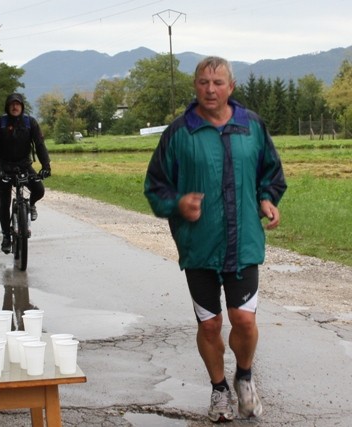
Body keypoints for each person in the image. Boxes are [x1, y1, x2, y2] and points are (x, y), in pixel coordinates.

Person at [144, 56, 287, 423]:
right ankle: (219, 390)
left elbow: (271, 172)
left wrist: (268, 197)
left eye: (218, 82)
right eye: (204, 82)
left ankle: (244, 376)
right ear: (195, 86)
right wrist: (178, 203)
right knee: (209, 325)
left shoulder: (251, 126)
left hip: (244, 244)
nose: (210, 89)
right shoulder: (179, 132)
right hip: (199, 246)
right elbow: (156, 186)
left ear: (231, 87)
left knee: (244, 321)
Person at [0, 93, 51, 254]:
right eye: (12, 105)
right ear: (7, 107)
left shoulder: (30, 123)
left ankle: (30, 205)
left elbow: (39, 144)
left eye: (18, 104)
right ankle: (6, 237)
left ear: (22, 106)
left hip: (24, 165)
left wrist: (46, 166)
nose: (15, 107)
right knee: (5, 202)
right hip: (4, 168)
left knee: (39, 190)